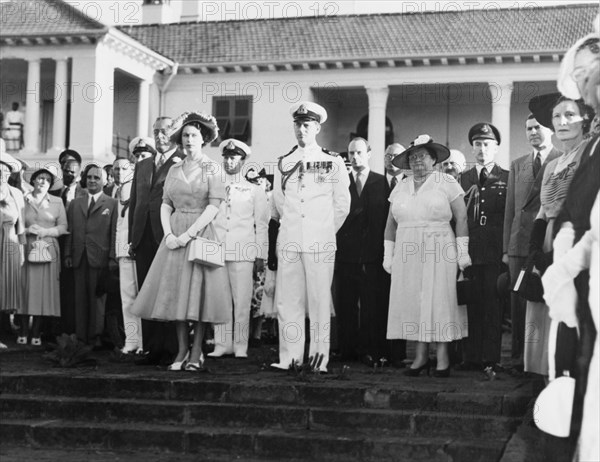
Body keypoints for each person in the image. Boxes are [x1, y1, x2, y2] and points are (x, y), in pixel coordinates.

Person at [131, 111, 231, 372]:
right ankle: (181, 350)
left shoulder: (212, 167)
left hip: (199, 232)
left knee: (197, 295)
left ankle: (197, 351)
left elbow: (214, 205)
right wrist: (170, 235)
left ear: (204, 138)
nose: (189, 140)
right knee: (174, 293)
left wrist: (188, 235)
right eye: (185, 135)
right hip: (174, 234)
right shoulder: (175, 168)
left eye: (194, 135)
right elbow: (165, 203)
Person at [271, 101, 350, 373]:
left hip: (320, 241)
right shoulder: (284, 162)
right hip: (291, 238)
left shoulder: (333, 161)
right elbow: (280, 204)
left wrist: (323, 229)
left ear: (317, 127)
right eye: (298, 124)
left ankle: (319, 359)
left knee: (318, 301)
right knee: (288, 300)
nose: (301, 129)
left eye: (307, 125)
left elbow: (342, 204)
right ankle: (290, 358)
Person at [550, 30, 600, 455]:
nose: (587, 84)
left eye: (594, 72)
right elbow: (581, 210)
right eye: (581, 75)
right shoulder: (595, 144)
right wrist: (565, 252)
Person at [383, 135, 470, 378]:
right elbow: (390, 224)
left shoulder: (447, 181)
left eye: (422, 156)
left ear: (434, 159)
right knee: (414, 300)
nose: (417, 161)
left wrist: (462, 253)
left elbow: (461, 218)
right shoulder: (400, 185)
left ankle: (442, 358)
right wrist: (387, 254)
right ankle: (420, 357)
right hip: (407, 248)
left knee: (439, 299)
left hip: (439, 245)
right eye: (412, 157)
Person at [525, 93, 594, 377]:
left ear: (585, 119)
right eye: (557, 116)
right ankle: (543, 386)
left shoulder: (591, 154)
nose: (562, 121)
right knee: (542, 313)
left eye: (570, 114)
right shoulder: (552, 165)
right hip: (547, 239)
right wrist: (535, 250)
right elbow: (543, 210)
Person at [335, 137, 402, 367]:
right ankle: (347, 350)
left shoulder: (382, 183)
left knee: (373, 305)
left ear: (369, 154)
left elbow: (386, 222)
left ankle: (371, 349)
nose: (354, 157)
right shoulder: (341, 182)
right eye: (351, 153)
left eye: (359, 152)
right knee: (346, 304)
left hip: (373, 256)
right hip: (345, 256)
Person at [502, 115, 561, 369]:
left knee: (543, 302)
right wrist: (506, 248)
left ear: (550, 129)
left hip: (546, 242)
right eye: (528, 128)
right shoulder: (517, 164)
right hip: (519, 243)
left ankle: (544, 359)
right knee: (519, 302)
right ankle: (518, 358)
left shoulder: (562, 159)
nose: (533, 132)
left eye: (538, 127)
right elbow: (511, 210)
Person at [128, 117, 183, 366]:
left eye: (164, 131)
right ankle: (151, 348)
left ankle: (170, 347)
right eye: (156, 132)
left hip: (167, 235)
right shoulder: (143, 164)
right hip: (143, 237)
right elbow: (136, 202)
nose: (160, 136)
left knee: (168, 291)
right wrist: (132, 237)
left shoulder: (182, 161)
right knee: (146, 292)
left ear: (174, 134)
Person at [210, 139, 268, 358]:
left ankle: (241, 345)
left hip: (243, 250)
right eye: (226, 156)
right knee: (220, 299)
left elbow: (261, 225)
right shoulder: (214, 186)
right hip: (217, 249)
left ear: (243, 161)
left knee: (241, 300)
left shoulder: (254, 190)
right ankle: (221, 344)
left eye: (234, 157)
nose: (229, 161)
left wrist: (260, 254)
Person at [459, 123, 508, 372]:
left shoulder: (506, 177)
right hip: (468, 251)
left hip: (493, 251)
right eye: (477, 144)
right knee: (471, 303)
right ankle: (471, 357)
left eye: (487, 144)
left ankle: (491, 358)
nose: (481, 149)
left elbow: (508, 217)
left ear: (496, 148)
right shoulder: (462, 178)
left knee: (492, 305)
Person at [64, 165, 118, 346]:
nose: (92, 181)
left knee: (98, 299)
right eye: (89, 178)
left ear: (104, 181)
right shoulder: (76, 203)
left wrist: (112, 257)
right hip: (79, 256)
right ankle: (80, 337)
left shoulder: (111, 203)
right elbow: (70, 230)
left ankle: (95, 337)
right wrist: (68, 253)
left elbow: (114, 233)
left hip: (99, 257)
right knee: (80, 298)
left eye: (96, 177)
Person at [18, 166, 67, 346]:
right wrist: (26, 229)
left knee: (42, 292)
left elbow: (63, 227)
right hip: (27, 246)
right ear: (33, 181)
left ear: (51, 184)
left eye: (47, 179)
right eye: (40, 178)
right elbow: (15, 222)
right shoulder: (23, 199)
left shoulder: (57, 202)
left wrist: (47, 231)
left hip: (47, 248)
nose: (42, 181)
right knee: (25, 289)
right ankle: (23, 331)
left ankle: (36, 332)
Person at [113, 156, 143, 354]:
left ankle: (144, 341)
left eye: (124, 168)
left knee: (142, 297)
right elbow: (119, 224)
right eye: (116, 169)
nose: (120, 172)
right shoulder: (118, 190)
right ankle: (132, 340)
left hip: (138, 249)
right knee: (127, 298)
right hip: (124, 250)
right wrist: (118, 250)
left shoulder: (140, 187)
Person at [0, 152, 25, 349]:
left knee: (6, 287)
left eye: (5, 169)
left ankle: (5, 331)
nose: (1, 172)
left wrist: (23, 251)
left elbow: (22, 225)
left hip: (10, 242)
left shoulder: (16, 193)